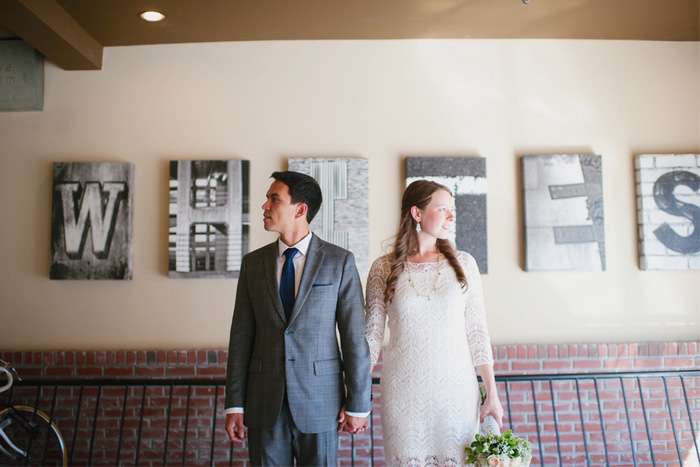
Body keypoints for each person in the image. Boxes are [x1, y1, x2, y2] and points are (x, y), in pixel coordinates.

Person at [224, 171, 372, 466]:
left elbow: (355, 337)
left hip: (321, 403)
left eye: (273, 198)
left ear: (300, 209)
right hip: (264, 403)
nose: (264, 206)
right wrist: (234, 405)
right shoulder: (253, 264)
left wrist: (358, 404)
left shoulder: (339, 261)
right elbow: (241, 338)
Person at [365, 180, 503, 467]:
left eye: (452, 210)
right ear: (417, 213)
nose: (451, 217)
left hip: (456, 394)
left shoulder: (464, 264)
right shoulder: (383, 267)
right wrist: (354, 391)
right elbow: (372, 335)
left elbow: (477, 331)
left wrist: (492, 392)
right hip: (404, 394)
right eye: (443, 209)